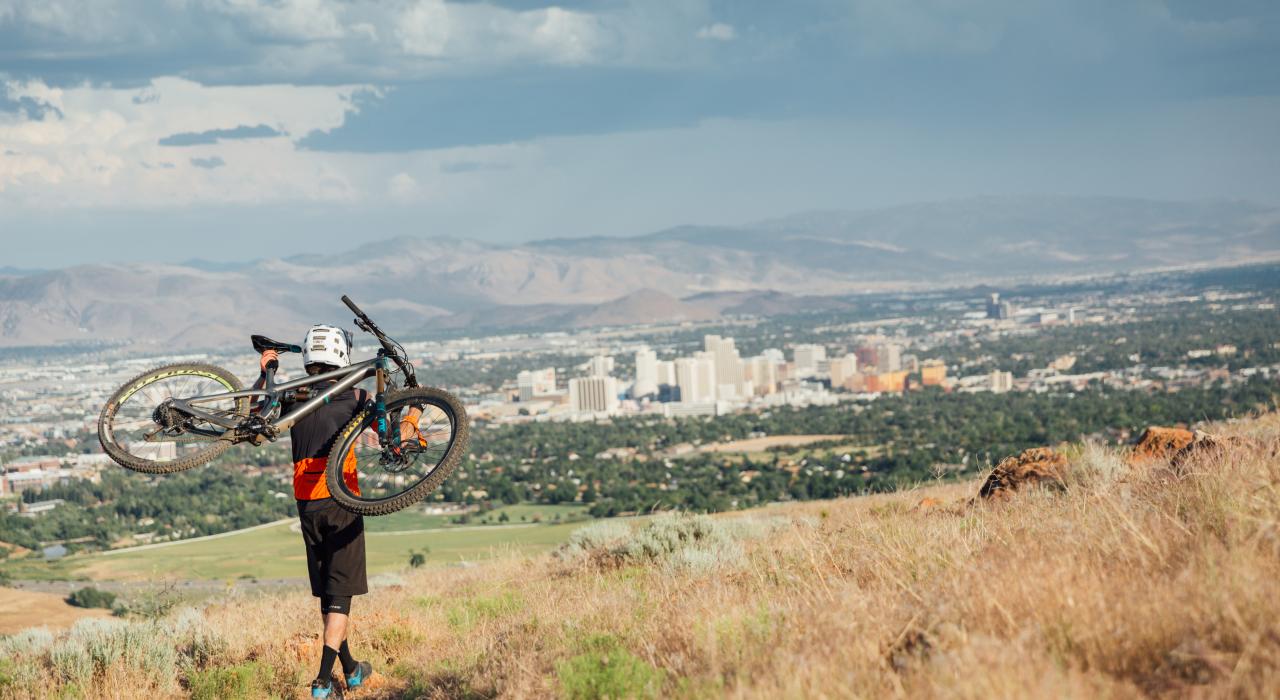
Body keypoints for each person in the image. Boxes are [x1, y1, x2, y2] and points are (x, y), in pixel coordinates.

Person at [259, 324, 373, 699]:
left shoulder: (295, 394)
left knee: (330, 593)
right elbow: (389, 425)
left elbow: (258, 418)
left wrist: (267, 371)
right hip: (342, 501)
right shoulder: (354, 393)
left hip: (306, 504)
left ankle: (353, 669)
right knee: (340, 595)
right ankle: (324, 680)